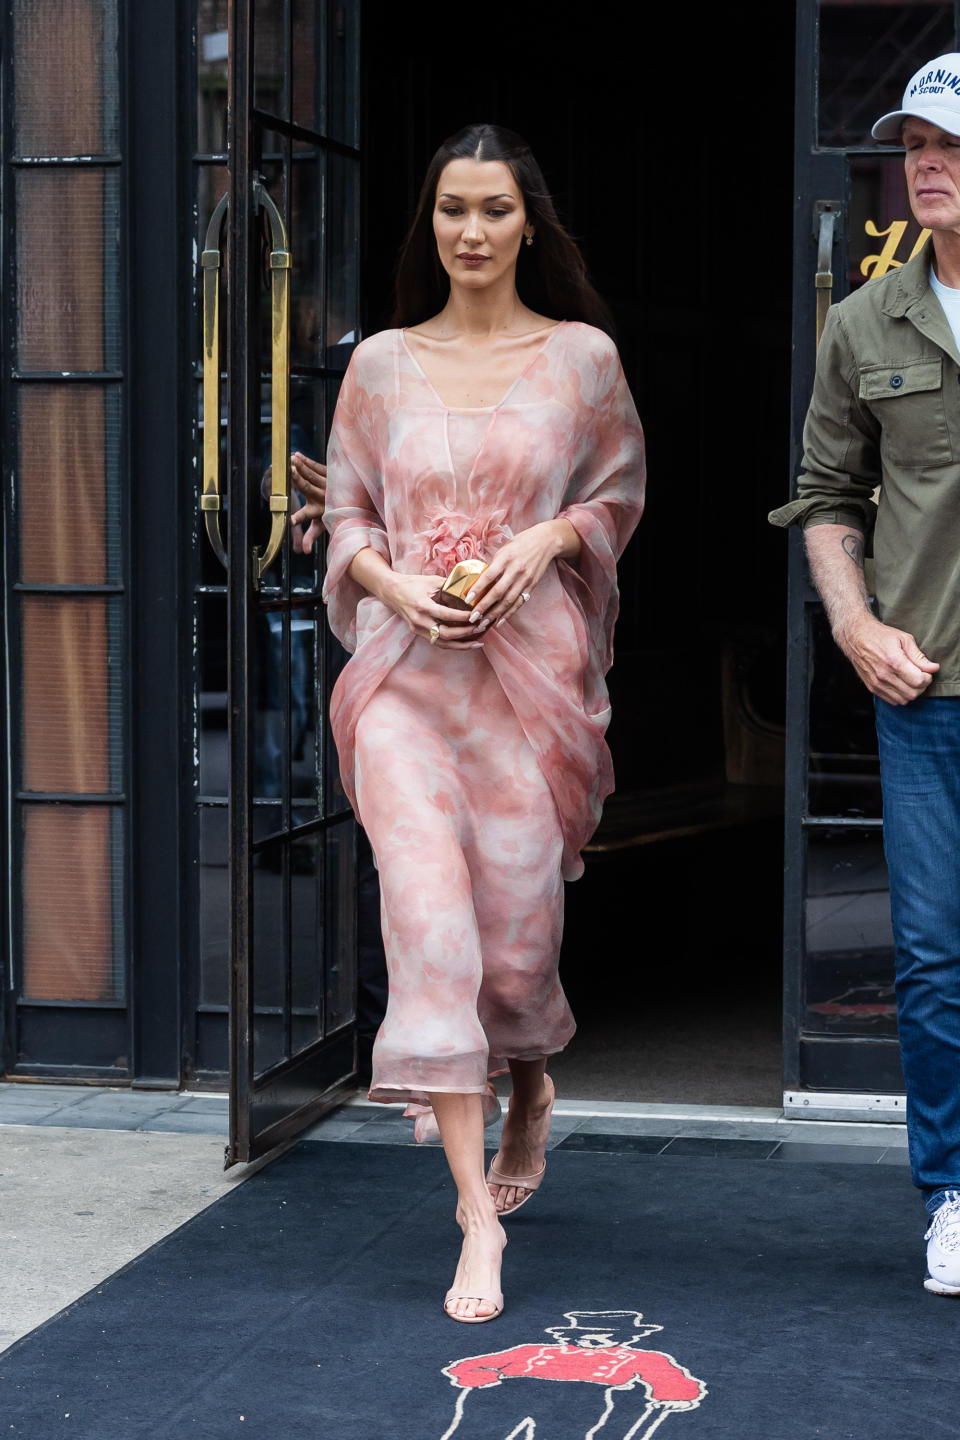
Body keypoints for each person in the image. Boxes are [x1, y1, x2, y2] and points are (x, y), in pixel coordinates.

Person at [295, 123, 645, 1323]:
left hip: (528, 689)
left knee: (513, 951)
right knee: (432, 934)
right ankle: (474, 1220)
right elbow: (345, 513)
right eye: (453, 209)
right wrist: (389, 586)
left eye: (495, 209)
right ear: (430, 223)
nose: (474, 232)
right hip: (402, 682)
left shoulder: (582, 357)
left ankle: (532, 1084)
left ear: (527, 222)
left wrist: (548, 538)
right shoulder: (382, 362)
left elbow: (614, 496)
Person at [769, 52, 960, 1296]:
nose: (928, 163)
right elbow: (829, 498)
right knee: (936, 957)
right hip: (926, 695)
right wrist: (849, 622)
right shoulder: (863, 323)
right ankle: (953, 1195)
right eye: (916, 144)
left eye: (950, 144)